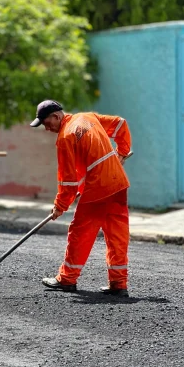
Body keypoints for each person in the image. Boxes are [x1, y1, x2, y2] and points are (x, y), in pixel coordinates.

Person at [30, 100, 132, 296]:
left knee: (80, 233)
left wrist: (60, 205)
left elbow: (67, 181)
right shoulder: (88, 117)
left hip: (98, 189)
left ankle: (67, 279)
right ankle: (119, 284)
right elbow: (120, 123)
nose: (46, 128)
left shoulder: (65, 138)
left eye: (46, 122)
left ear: (57, 116)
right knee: (117, 235)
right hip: (118, 183)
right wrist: (122, 152)